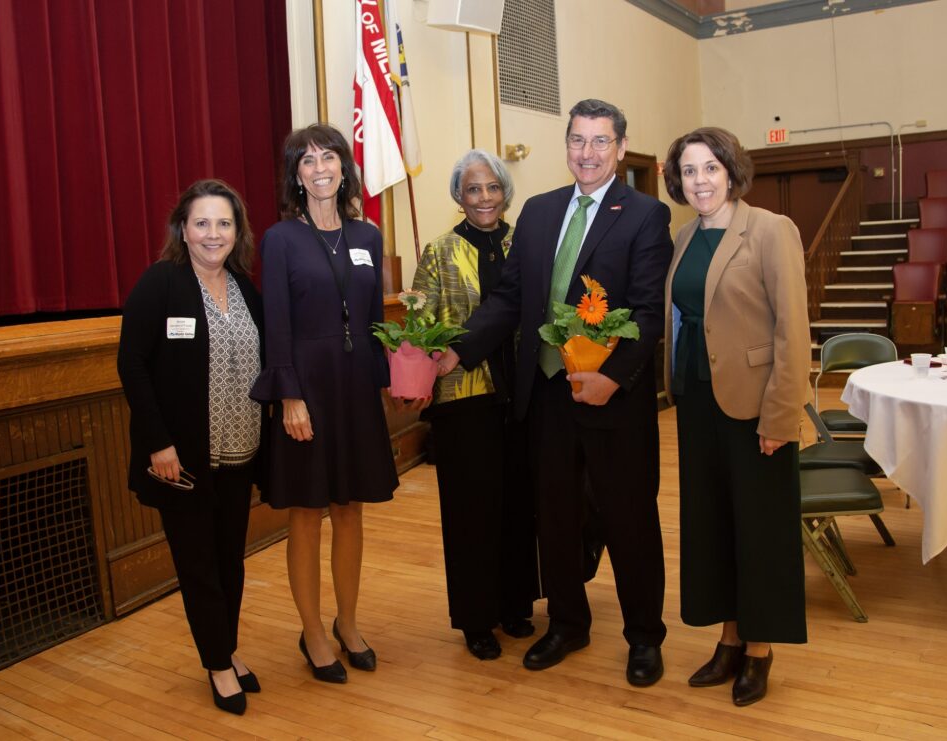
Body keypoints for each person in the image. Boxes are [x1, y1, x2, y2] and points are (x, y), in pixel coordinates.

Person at [438, 99, 673, 685]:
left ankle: (645, 636)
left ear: (620, 147)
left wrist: (611, 378)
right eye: (577, 140)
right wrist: (458, 349)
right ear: (565, 145)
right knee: (558, 520)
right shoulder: (541, 214)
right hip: (545, 398)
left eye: (600, 141)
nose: (587, 153)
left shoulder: (645, 215)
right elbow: (509, 300)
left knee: (628, 520)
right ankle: (567, 622)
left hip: (614, 402)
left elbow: (647, 314)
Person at [662, 126, 811, 706]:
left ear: (731, 172)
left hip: (755, 405)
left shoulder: (771, 230)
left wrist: (780, 416)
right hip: (697, 402)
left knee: (761, 529)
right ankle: (727, 638)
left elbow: (792, 332)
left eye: (710, 169)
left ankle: (759, 650)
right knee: (712, 524)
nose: (700, 181)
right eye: (690, 171)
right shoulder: (683, 237)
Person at [250, 123, 398, 684]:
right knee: (307, 512)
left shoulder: (368, 235)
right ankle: (312, 629)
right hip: (307, 387)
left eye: (328, 156)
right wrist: (289, 396)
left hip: (356, 386)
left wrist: (386, 378)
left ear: (343, 166)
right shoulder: (280, 239)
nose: (319, 167)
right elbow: (277, 324)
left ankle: (349, 622)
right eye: (306, 160)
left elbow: (374, 321)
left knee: (350, 507)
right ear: (296, 174)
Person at [118, 179, 264, 716]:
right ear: (184, 229)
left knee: (231, 561)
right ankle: (218, 664)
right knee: (198, 565)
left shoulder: (246, 288)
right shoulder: (162, 283)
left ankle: (225, 646)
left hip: (240, 452)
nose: (213, 233)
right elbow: (132, 364)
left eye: (223, 223)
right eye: (201, 222)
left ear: (236, 231)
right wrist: (158, 442)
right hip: (182, 459)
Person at [411, 149, 539, 661]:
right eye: (472, 189)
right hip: (464, 400)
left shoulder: (527, 244)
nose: (484, 198)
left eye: (492, 187)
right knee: (470, 513)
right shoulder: (440, 252)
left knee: (517, 506)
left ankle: (515, 604)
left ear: (505, 191)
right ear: (458, 198)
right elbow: (419, 327)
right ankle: (476, 618)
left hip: (525, 397)